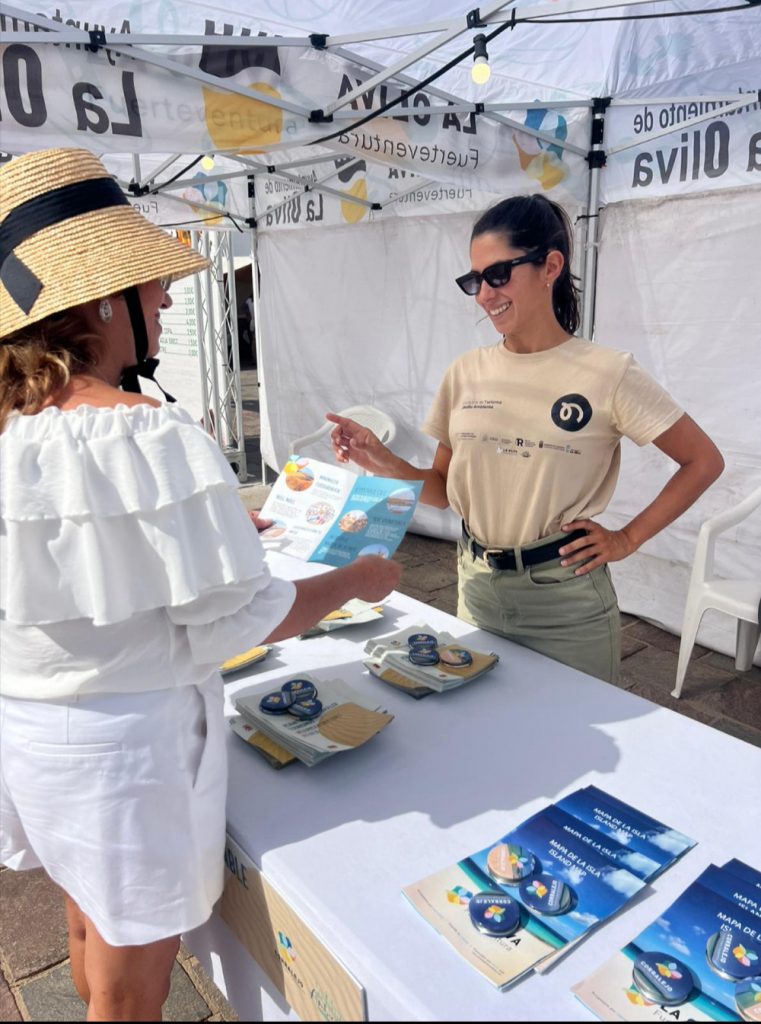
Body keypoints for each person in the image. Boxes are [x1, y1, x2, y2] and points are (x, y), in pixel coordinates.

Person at [0, 148, 401, 1022]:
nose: (168, 300)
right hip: (125, 755)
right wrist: (358, 579)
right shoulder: (143, 432)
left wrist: (202, 539)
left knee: (85, 921)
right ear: (101, 302)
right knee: (131, 982)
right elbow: (243, 622)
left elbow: (67, 563)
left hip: (33, 733)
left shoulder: (15, 425)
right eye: (152, 286)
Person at [327, 193, 724, 684]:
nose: (484, 295)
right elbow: (444, 491)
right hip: (477, 591)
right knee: (484, 725)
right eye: (474, 280)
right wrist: (380, 459)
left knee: (573, 725)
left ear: (550, 266)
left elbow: (703, 461)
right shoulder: (465, 373)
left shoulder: (608, 372)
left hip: (565, 603)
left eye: (498, 274)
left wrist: (627, 539)